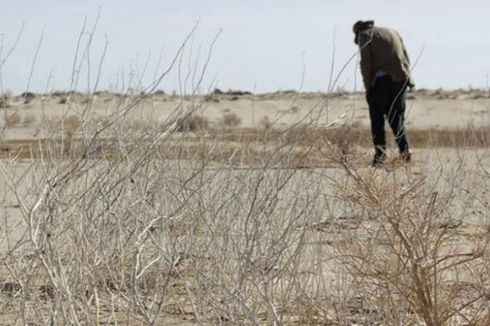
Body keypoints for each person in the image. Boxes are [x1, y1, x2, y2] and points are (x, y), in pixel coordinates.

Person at [353, 20, 414, 166]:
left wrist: (368, 87)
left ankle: (380, 156)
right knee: (397, 119)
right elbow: (406, 57)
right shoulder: (392, 31)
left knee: (377, 120)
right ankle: (405, 152)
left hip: (380, 83)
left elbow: (366, 63)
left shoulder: (365, 35)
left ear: (358, 31)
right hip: (400, 80)